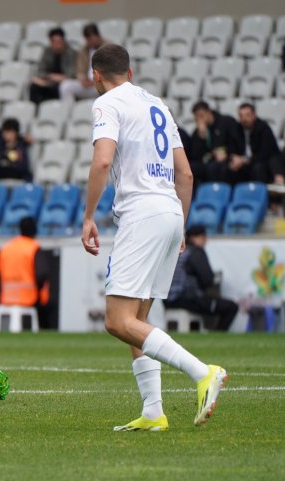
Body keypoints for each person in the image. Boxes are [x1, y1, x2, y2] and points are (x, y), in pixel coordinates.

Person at [80, 43, 227, 431]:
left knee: (117, 319)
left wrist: (88, 216)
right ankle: (153, 411)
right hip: (169, 211)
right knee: (139, 316)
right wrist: (179, 223)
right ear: (129, 72)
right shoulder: (157, 103)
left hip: (141, 212)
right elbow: (187, 174)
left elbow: (103, 160)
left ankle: (203, 373)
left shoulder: (107, 103)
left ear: (96, 75)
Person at [165, 226, 239, 331]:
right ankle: (218, 336)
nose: (206, 240)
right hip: (188, 299)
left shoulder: (178, 251)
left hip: (168, 299)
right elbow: (208, 279)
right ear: (198, 237)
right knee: (231, 307)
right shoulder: (196, 252)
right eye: (204, 237)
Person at [0, 217, 50, 315]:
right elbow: (41, 275)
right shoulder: (34, 248)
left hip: (6, 298)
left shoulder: (6, 248)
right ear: (35, 230)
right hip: (29, 299)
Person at [187, 101, 244, 186]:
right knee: (190, 168)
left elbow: (237, 143)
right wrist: (201, 137)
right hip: (208, 161)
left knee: (214, 168)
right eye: (197, 117)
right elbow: (195, 156)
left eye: (201, 115)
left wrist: (227, 155)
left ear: (209, 112)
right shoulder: (198, 132)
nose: (200, 120)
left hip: (228, 159)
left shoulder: (226, 122)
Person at [231, 103, 280, 185]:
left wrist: (244, 160)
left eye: (247, 115)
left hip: (260, 163)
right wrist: (234, 157)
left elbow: (266, 154)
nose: (244, 119)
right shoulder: (237, 129)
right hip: (243, 163)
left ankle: (258, 195)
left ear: (254, 115)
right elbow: (232, 148)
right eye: (241, 116)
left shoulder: (263, 128)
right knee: (228, 168)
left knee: (258, 168)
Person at [61, 23, 106, 103]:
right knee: (65, 86)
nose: (90, 42)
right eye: (88, 40)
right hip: (88, 84)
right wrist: (83, 80)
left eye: (91, 39)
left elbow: (113, 71)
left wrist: (98, 81)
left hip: (103, 85)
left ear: (97, 36)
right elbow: (80, 70)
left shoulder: (110, 48)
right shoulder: (84, 50)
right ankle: (69, 113)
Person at [29, 28, 76, 104]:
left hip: (63, 83)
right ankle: (36, 110)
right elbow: (40, 70)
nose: (57, 45)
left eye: (59, 42)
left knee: (63, 87)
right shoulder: (47, 51)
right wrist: (50, 77)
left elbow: (71, 74)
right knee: (34, 86)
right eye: (54, 42)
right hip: (49, 81)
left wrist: (56, 78)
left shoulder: (71, 53)